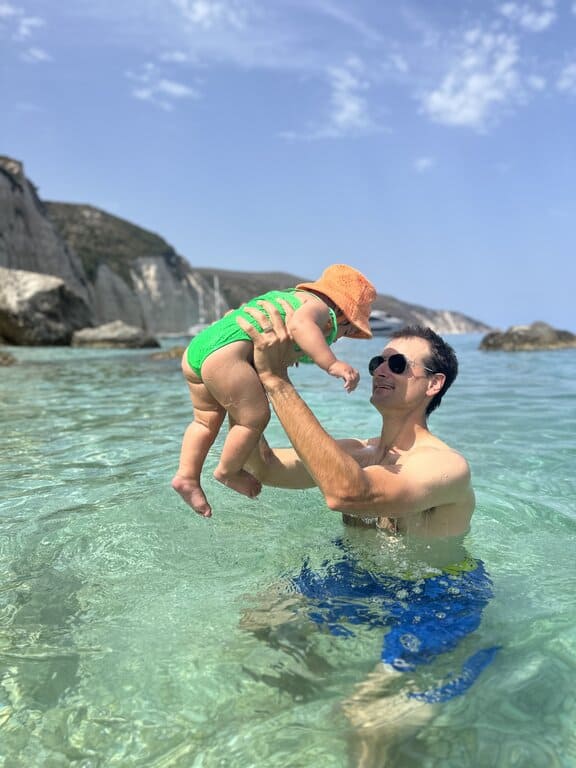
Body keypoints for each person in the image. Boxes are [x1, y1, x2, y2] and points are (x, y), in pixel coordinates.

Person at [236, 302, 499, 764]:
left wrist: (279, 381)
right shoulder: (358, 450)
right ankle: (317, 695)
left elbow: (346, 494)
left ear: (432, 384)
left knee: (366, 717)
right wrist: (245, 377)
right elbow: (262, 467)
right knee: (261, 616)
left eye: (398, 364)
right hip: (359, 577)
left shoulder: (443, 465)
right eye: (379, 360)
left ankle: (395, 718)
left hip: (436, 593)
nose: (381, 369)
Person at [172, 264, 376, 517]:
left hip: (198, 350)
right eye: (345, 332)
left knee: (203, 421)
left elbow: (288, 334)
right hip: (226, 357)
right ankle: (227, 471)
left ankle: (186, 477)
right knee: (254, 419)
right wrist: (332, 363)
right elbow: (302, 326)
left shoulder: (287, 298)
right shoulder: (319, 308)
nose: (337, 338)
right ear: (341, 314)